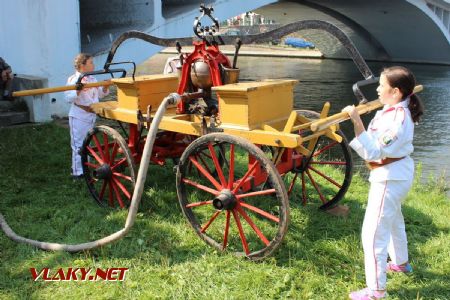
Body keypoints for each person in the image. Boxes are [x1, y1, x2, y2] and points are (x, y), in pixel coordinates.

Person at [343, 66, 424, 300]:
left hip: (389, 177)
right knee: (394, 220)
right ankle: (401, 263)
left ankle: (376, 291)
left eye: (381, 86)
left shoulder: (398, 120)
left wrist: (356, 120)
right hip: (395, 174)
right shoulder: (393, 108)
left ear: (396, 91)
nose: (377, 89)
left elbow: (373, 151)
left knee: (373, 233)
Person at [64, 53, 110, 180]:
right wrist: (77, 90)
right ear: (81, 66)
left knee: (87, 143)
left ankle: (85, 167)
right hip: (79, 115)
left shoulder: (93, 79)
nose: (93, 65)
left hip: (91, 115)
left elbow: (100, 94)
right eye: (91, 63)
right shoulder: (73, 79)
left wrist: (105, 87)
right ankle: (77, 172)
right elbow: (67, 97)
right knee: (78, 144)